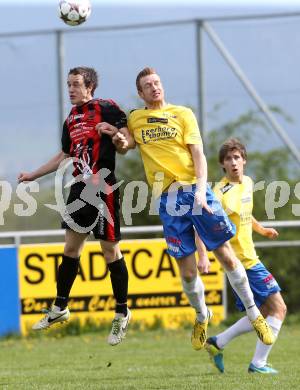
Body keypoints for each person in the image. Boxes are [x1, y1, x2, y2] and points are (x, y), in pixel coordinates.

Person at [97, 66, 274, 351]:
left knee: (227, 257)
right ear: (141, 93)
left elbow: (198, 155)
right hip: (168, 200)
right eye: (148, 85)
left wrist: (203, 190)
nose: (155, 87)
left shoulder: (183, 114)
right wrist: (118, 139)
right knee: (189, 273)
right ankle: (203, 316)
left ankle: (255, 315)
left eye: (157, 82)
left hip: (196, 190)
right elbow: (126, 144)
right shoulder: (136, 118)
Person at [18, 66, 131, 346]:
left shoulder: (107, 107)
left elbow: (127, 141)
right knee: (70, 249)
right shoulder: (71, 118)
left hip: (101, 185)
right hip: (79, 187)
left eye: (76, 84)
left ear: (90, 86)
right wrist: (33, 174)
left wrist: (116, 134)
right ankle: (60, 308)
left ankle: (121, 312)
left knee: (110, 251)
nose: (71, 89)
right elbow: (65, 155)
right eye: (69, 84)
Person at [203, 138, 287, 374]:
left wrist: (262, 229)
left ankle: (217, 343)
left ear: (244, 161)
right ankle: (258, 364)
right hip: (242, 262)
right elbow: (202, 225)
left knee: (262, 313)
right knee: (279, 309)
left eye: (237, 157)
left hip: (251, 257)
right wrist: (202, 255)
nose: (233, 162)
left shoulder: (247, 182)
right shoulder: (218, 193)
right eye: (228, 159)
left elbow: (246, 216)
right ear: (222, 164)